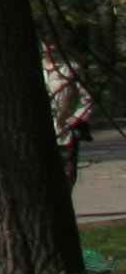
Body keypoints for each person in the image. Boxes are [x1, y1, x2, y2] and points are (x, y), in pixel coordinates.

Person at [49, 47, 95, 184]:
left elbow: (86, 97)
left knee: (67, 173)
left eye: (53, 46)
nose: (50, 51)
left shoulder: (70, 67)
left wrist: (77, 116)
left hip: (64, 126)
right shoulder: (32, 68)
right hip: (39, 126)